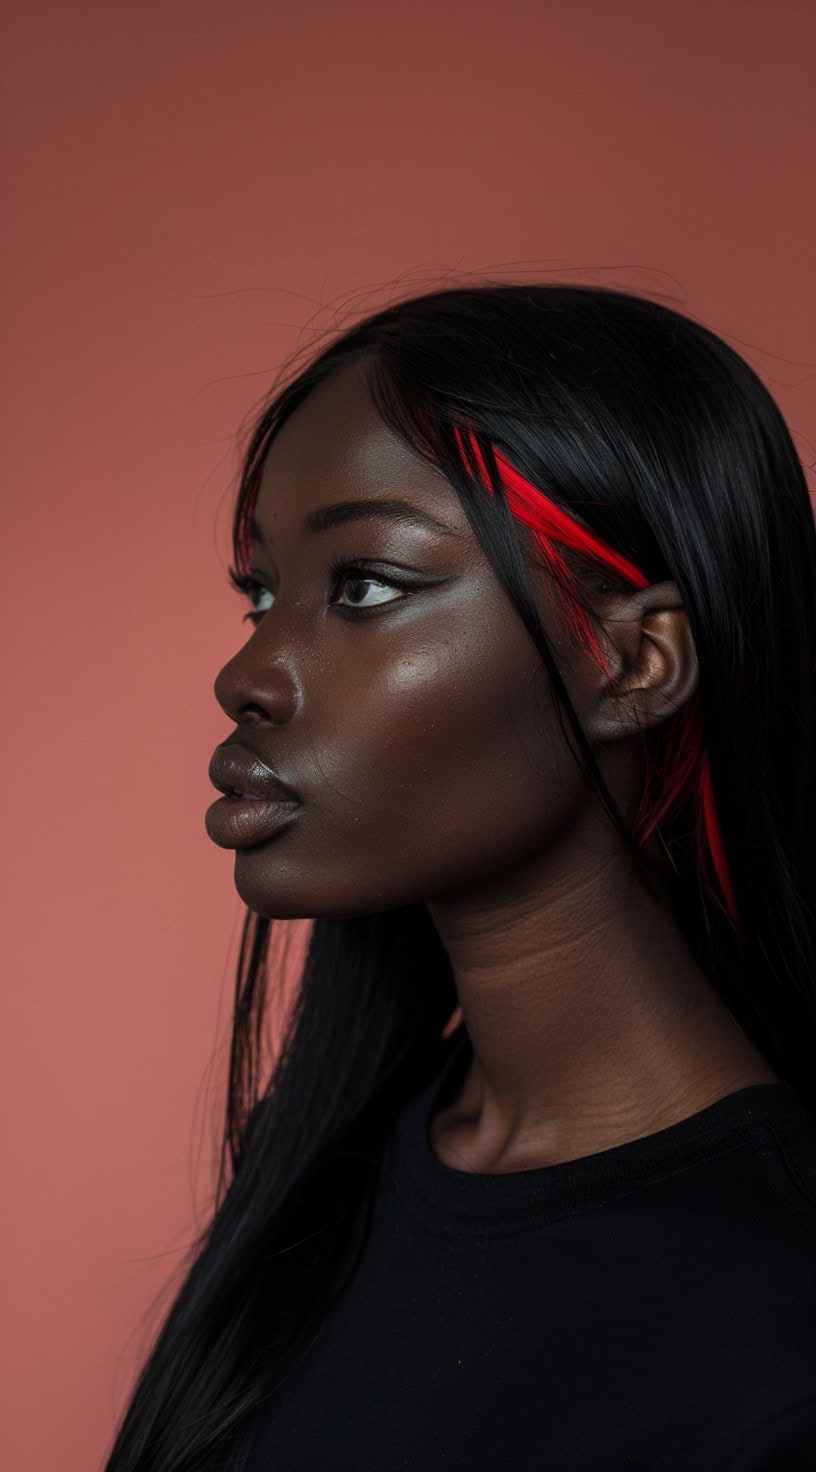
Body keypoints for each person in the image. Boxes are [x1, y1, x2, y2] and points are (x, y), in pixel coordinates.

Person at [103, 284, 816, 1471]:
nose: (248, 675)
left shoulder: (780, 1323)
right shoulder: (340, 1175)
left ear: (634, 660)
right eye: (262, 592)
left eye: (366, 585)